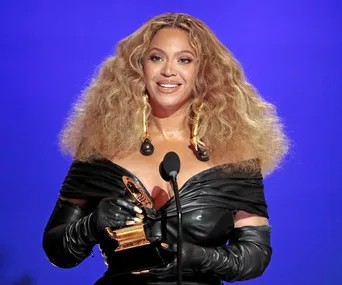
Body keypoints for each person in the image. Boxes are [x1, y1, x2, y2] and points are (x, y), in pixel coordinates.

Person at [42, 12, 289, 285]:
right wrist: (90, 226)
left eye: (184, 59)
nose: (168, 70)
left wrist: (198, 256)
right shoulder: (101, 145)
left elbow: (255, 255)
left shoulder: (236, 153)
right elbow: (57, 250)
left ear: (204, 71)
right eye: (156, 57)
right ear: (139, 66)